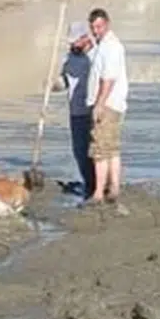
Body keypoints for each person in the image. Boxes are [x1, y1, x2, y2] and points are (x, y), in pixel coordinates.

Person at [85, 7, 129, 206]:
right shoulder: (104, 45)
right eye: (93, 27)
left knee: (100, 149)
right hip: (114, 103)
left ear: (107, 24)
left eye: (99, 27)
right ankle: (114, 188)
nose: (96, 31)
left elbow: (108, 79)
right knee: (111, 148)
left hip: (108, 104)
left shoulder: (111, 46)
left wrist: (99, 104)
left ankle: (98, 193)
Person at [56, 19, 96, 198]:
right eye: (71, 42)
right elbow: (65, 81)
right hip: (76, 111)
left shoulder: (95, 56)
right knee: (79, 151)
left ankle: (97, 186)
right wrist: (54, 84)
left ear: (85, 38)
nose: (73, 45)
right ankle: (89, 183)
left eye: (76, 41)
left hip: (92, 110)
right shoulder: (69, 58)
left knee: (95, 151)